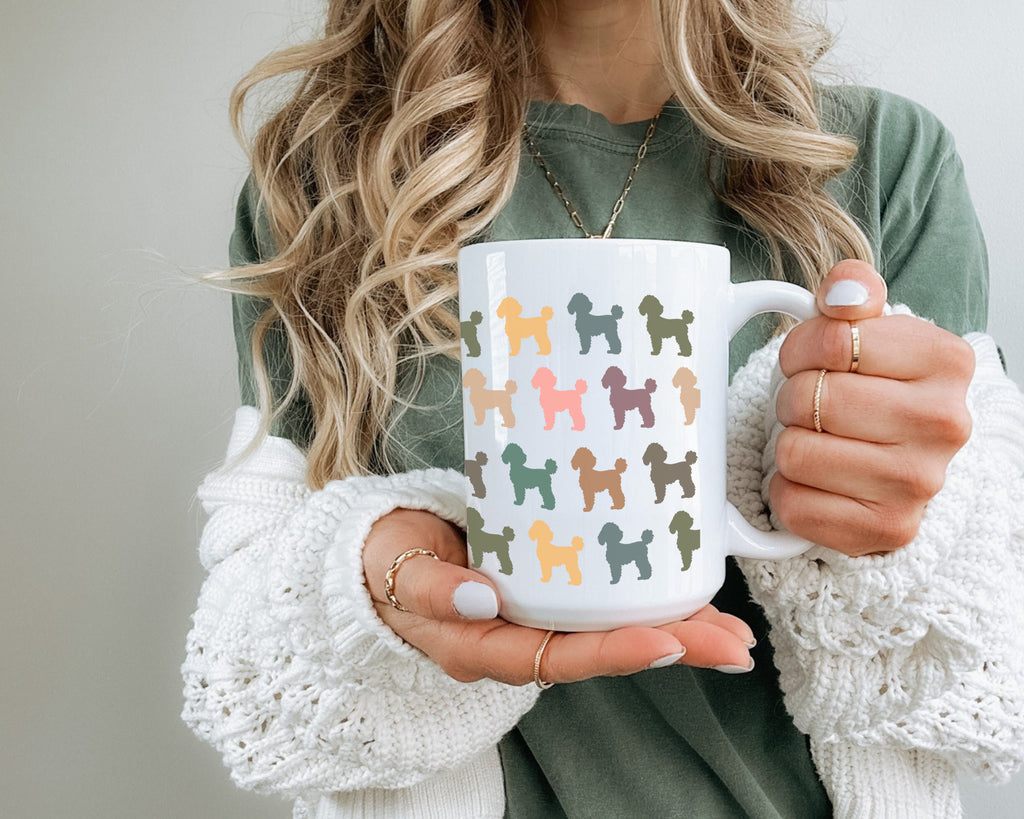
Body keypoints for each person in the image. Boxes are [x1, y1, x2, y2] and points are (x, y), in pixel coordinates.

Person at [181, 0, 1024, 816]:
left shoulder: (878, 159)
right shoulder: (322, 181)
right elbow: (245, 656)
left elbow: (986, 658)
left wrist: (894, 523)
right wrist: (363, 593)